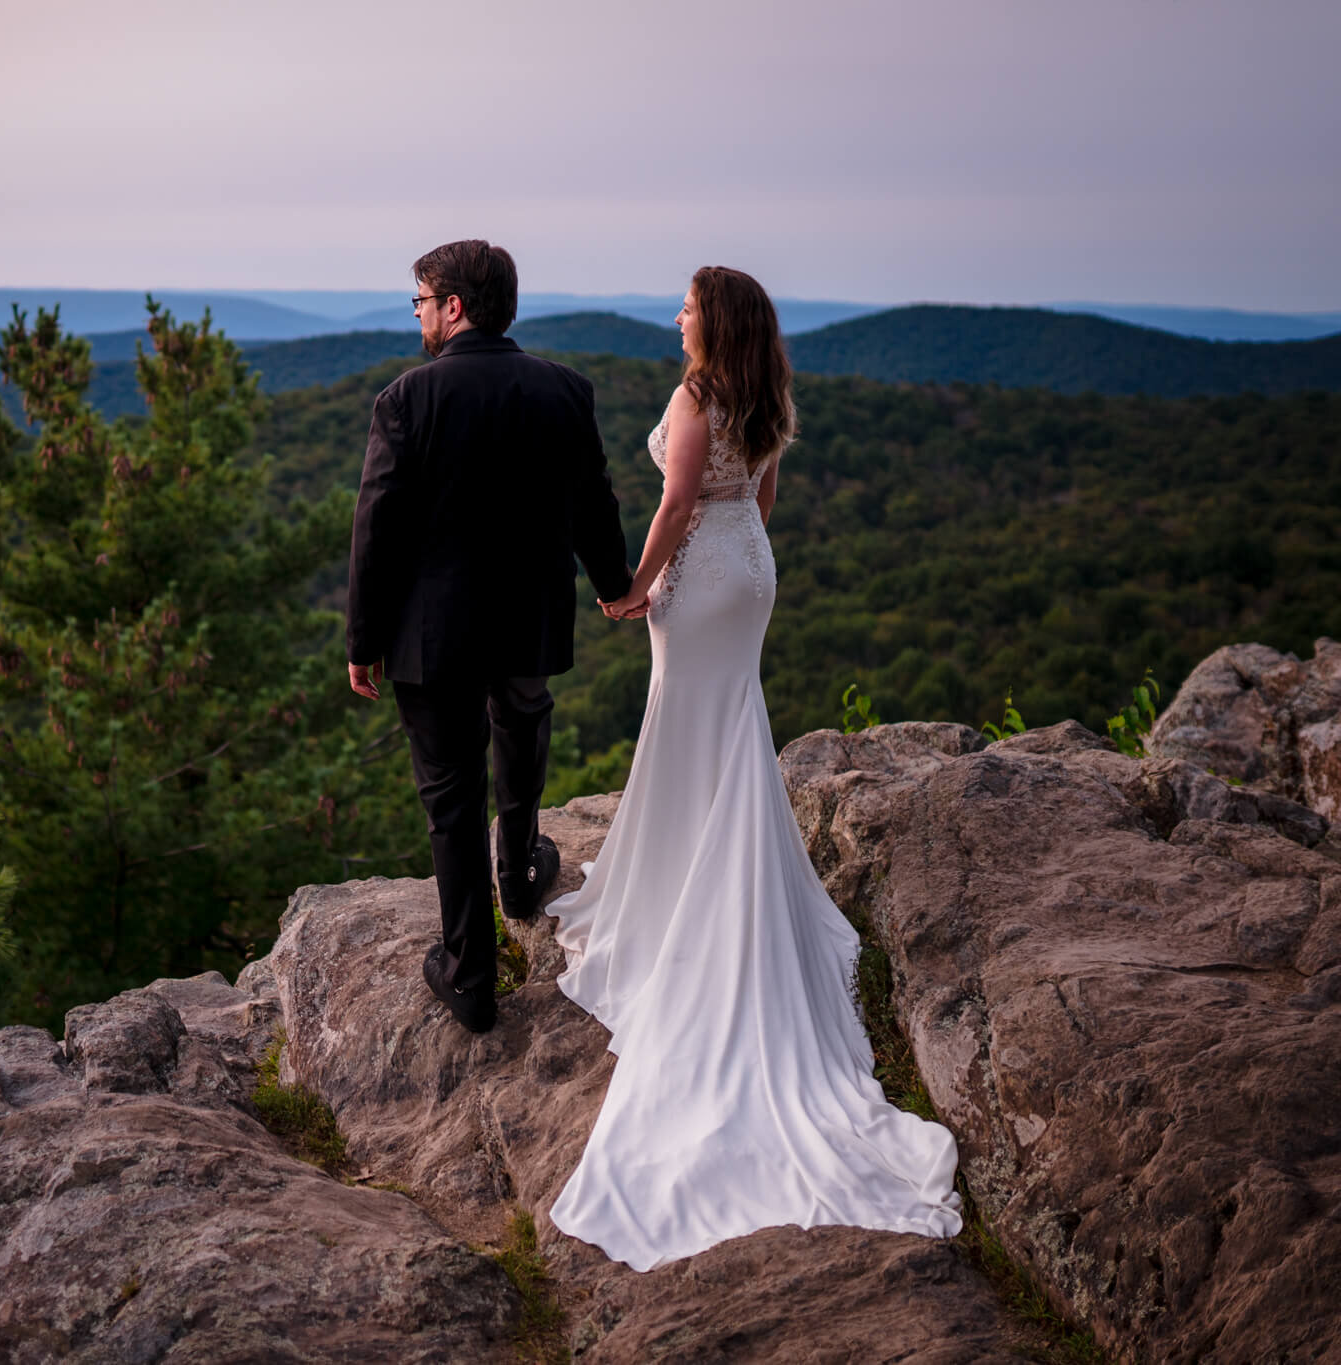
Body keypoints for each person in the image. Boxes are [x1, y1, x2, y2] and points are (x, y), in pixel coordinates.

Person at [545, 266, 963, 1269]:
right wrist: (741, 555)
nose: (676, 315)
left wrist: (629, 588)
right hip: (749, 568)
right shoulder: (764, 384)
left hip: (701, 575)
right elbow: (756, 492)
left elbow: (678, 499)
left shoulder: (698, 393)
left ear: (711, 320)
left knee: (692, 716)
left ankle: (682, 882)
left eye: (687, 305)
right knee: (725, 720)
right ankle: (700, 863)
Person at [346, 238, 633, 1034]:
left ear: (455, 307)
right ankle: (520, 872)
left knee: (449, 795)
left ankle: (469, 974)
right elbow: (593, 505)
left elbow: (378, 531)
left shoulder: (406, 399)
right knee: (522, 720)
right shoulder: (564, 391)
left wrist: (362, 641)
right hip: (525, 617)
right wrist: (614, 586)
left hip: (429, 635)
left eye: (422, 302)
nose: (419, 315)